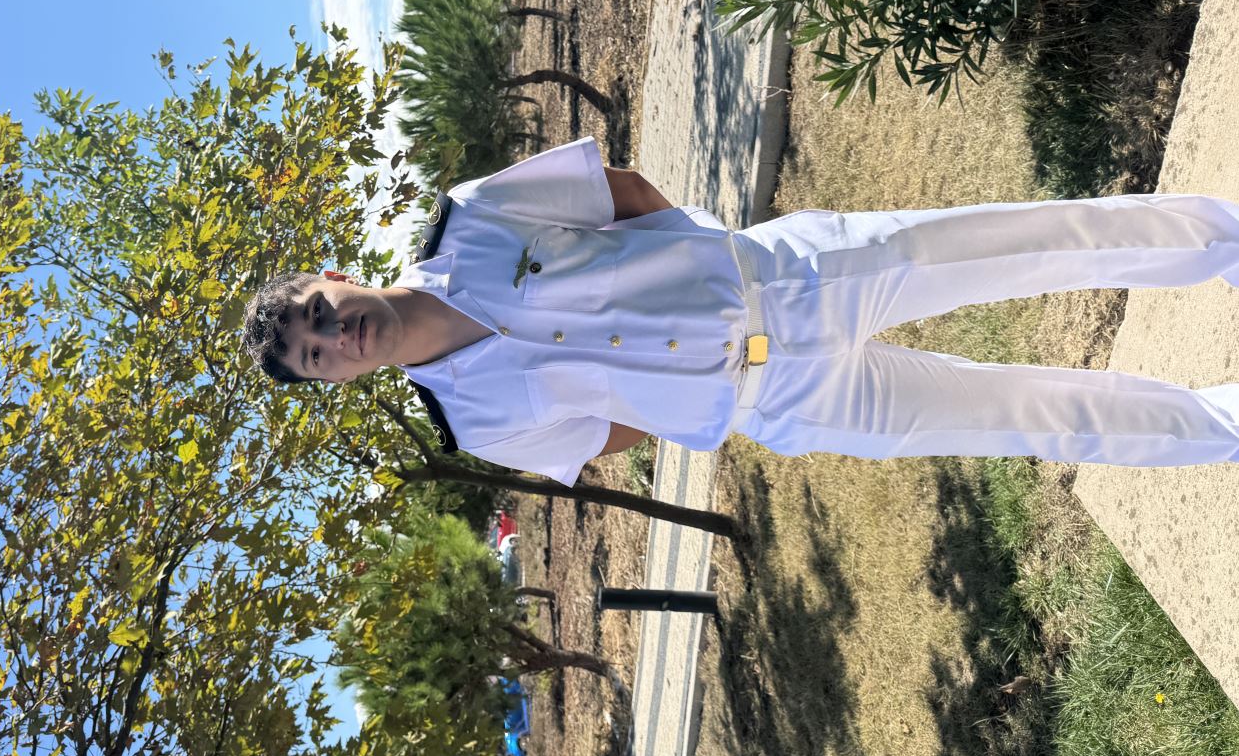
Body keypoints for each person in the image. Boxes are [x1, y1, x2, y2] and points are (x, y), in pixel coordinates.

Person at [242, 136, 1239, 486]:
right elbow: (603, 432)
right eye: (317, 354)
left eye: (318, 314)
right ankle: (1219, 425)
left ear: (333, 275)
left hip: (795, 274)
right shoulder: (475, 423)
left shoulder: (471, 217)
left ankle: (1220, 241)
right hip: (790, 401)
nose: (335, 335)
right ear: (336, 378)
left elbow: (620, 192)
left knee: (1028, 239)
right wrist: (694, 390)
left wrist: (704, 258)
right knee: (1028, 418)